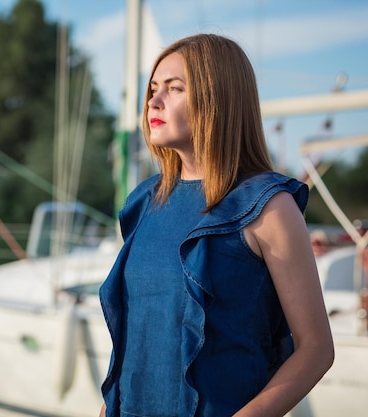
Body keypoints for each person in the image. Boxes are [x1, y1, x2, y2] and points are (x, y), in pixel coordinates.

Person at [98, 34, 334, 417]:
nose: (153, 102)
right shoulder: (144, 202)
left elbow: (316, 348)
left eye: (174, 89)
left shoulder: (269, 206)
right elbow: (138, 337)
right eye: (153, 89)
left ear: (217, 100)